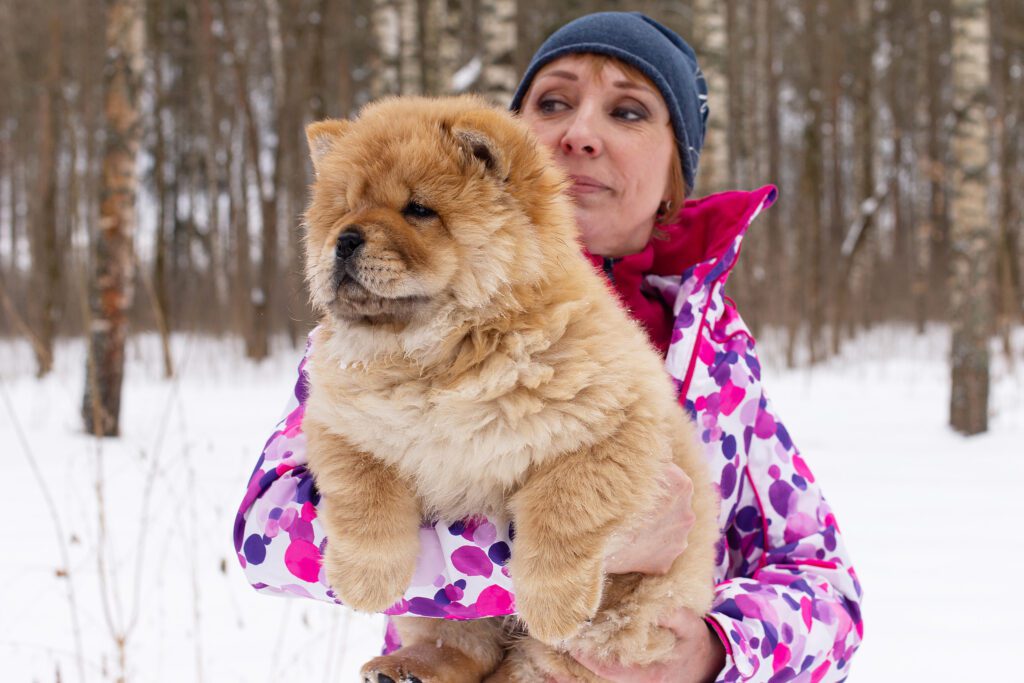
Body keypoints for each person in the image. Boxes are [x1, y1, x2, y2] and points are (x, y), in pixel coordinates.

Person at [233, 12, 863, 682]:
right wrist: (571, 551)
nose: (580, 133)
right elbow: (270, 541)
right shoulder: (378, 324)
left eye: (627, 112)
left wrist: (712, 650)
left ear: (673, 177)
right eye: (554, 103)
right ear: (503, 155)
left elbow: (827, 589)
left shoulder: (719, 356)